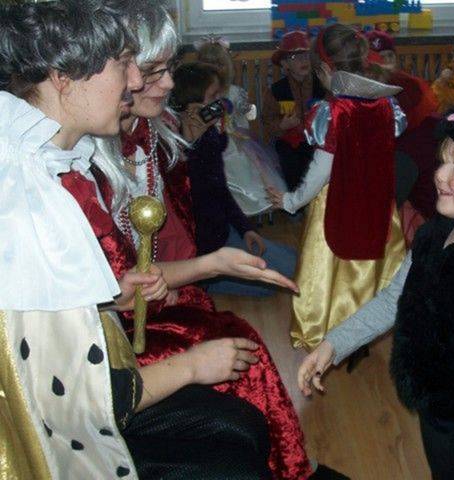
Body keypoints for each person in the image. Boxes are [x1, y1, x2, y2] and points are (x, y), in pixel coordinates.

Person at [0, 1, 272, 478]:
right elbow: (70, 406)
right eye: (123, 64)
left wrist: (108, 300)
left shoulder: (53, 162)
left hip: (102, 386)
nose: (133, 83)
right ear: (63, 77)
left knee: (243, 427)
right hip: (63, 441)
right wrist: (191, 367)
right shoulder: (27, 199)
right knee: (234, 459)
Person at [59, 7, 325, 479]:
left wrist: (216, 257)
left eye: (167, 70)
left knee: (252, 335)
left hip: (171, 287)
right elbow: (117, 291)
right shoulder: (79, 167)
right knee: (243, 359)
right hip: (116, 339)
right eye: (151, 70)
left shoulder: (150, 134)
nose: (164, 83)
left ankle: (289, 465)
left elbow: (198, 207)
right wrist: (210, 265)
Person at [298, 100, 454, 480]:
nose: (440, 176)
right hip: (433, 402)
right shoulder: (433, 234)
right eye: (442, 161)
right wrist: (333, 344)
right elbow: (393, 301)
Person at [267, 24, 407, 350]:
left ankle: (326, 331)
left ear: (325, 70)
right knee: (369, 269)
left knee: (328, 270)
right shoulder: (386, 106)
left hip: (337, 202)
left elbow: (321, 171)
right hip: (377, 201)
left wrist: (291, 200)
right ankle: (366, 326)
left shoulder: (333, 113)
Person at [171, 61, 298, 297]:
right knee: (268, 286)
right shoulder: (174, 152)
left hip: (224, 233)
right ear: (191, 108)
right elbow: (187, 210)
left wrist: (245, 229)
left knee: (294, 263)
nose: (220, 103)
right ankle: (206, 282)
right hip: (201, 250)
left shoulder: (210, 138)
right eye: (213, 97)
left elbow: (221, 190)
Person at [196, 37, 287, 216]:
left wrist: (246, 113)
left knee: (242, 164)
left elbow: (246, 117)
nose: (214, 70)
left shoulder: (234, 92)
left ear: (226, 67)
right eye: (208, 66)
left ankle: (245, 207)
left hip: (232, 139)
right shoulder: (198, 94)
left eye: (219, 65)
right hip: (207, 140)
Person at [366, 30, 441, 229]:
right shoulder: (404, 89)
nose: (384, 64)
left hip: (429, 216)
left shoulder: (406, 90)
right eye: (377, 59)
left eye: (388, 57)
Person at [262, 31, 325, 191]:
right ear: (285, 64)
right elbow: (268, 120)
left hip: (318, 140)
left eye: (305, 55)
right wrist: (282, 125)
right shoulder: (277, 90)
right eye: (295, 57)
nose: (303, 60)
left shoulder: (322, 85)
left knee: (321, 165)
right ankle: (296, 199)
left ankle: (318, 198)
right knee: (290, 162)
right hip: (291, 142)